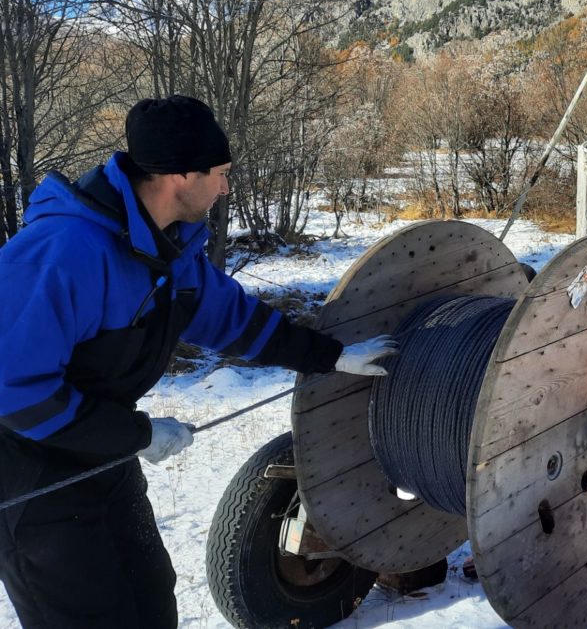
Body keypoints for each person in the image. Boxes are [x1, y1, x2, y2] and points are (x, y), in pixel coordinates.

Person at [0, 95, 397, 628]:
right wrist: (136, 435)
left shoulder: (168, 251)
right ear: (180, 175)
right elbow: (13, 391)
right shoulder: (61, 252)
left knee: (152, 600)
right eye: (220, 173)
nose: (226, 187)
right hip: (27, 476)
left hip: (101, 459)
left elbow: (236, 320)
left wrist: (333, 357)